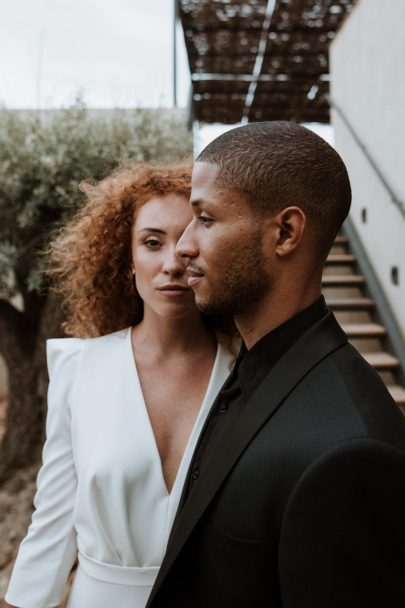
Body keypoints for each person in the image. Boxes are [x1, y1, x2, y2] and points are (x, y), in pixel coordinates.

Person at [146, 121, 405, 608]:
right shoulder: (249, 369)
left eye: (205, 219)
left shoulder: (352, 452)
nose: (182, 246)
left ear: (285, 232)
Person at [4, 162, 236, 608]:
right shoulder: (81, 369)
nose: (173, 263)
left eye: (189, 241)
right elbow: (52, 526)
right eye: (152, 242)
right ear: (125, 257)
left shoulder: (246, 370)